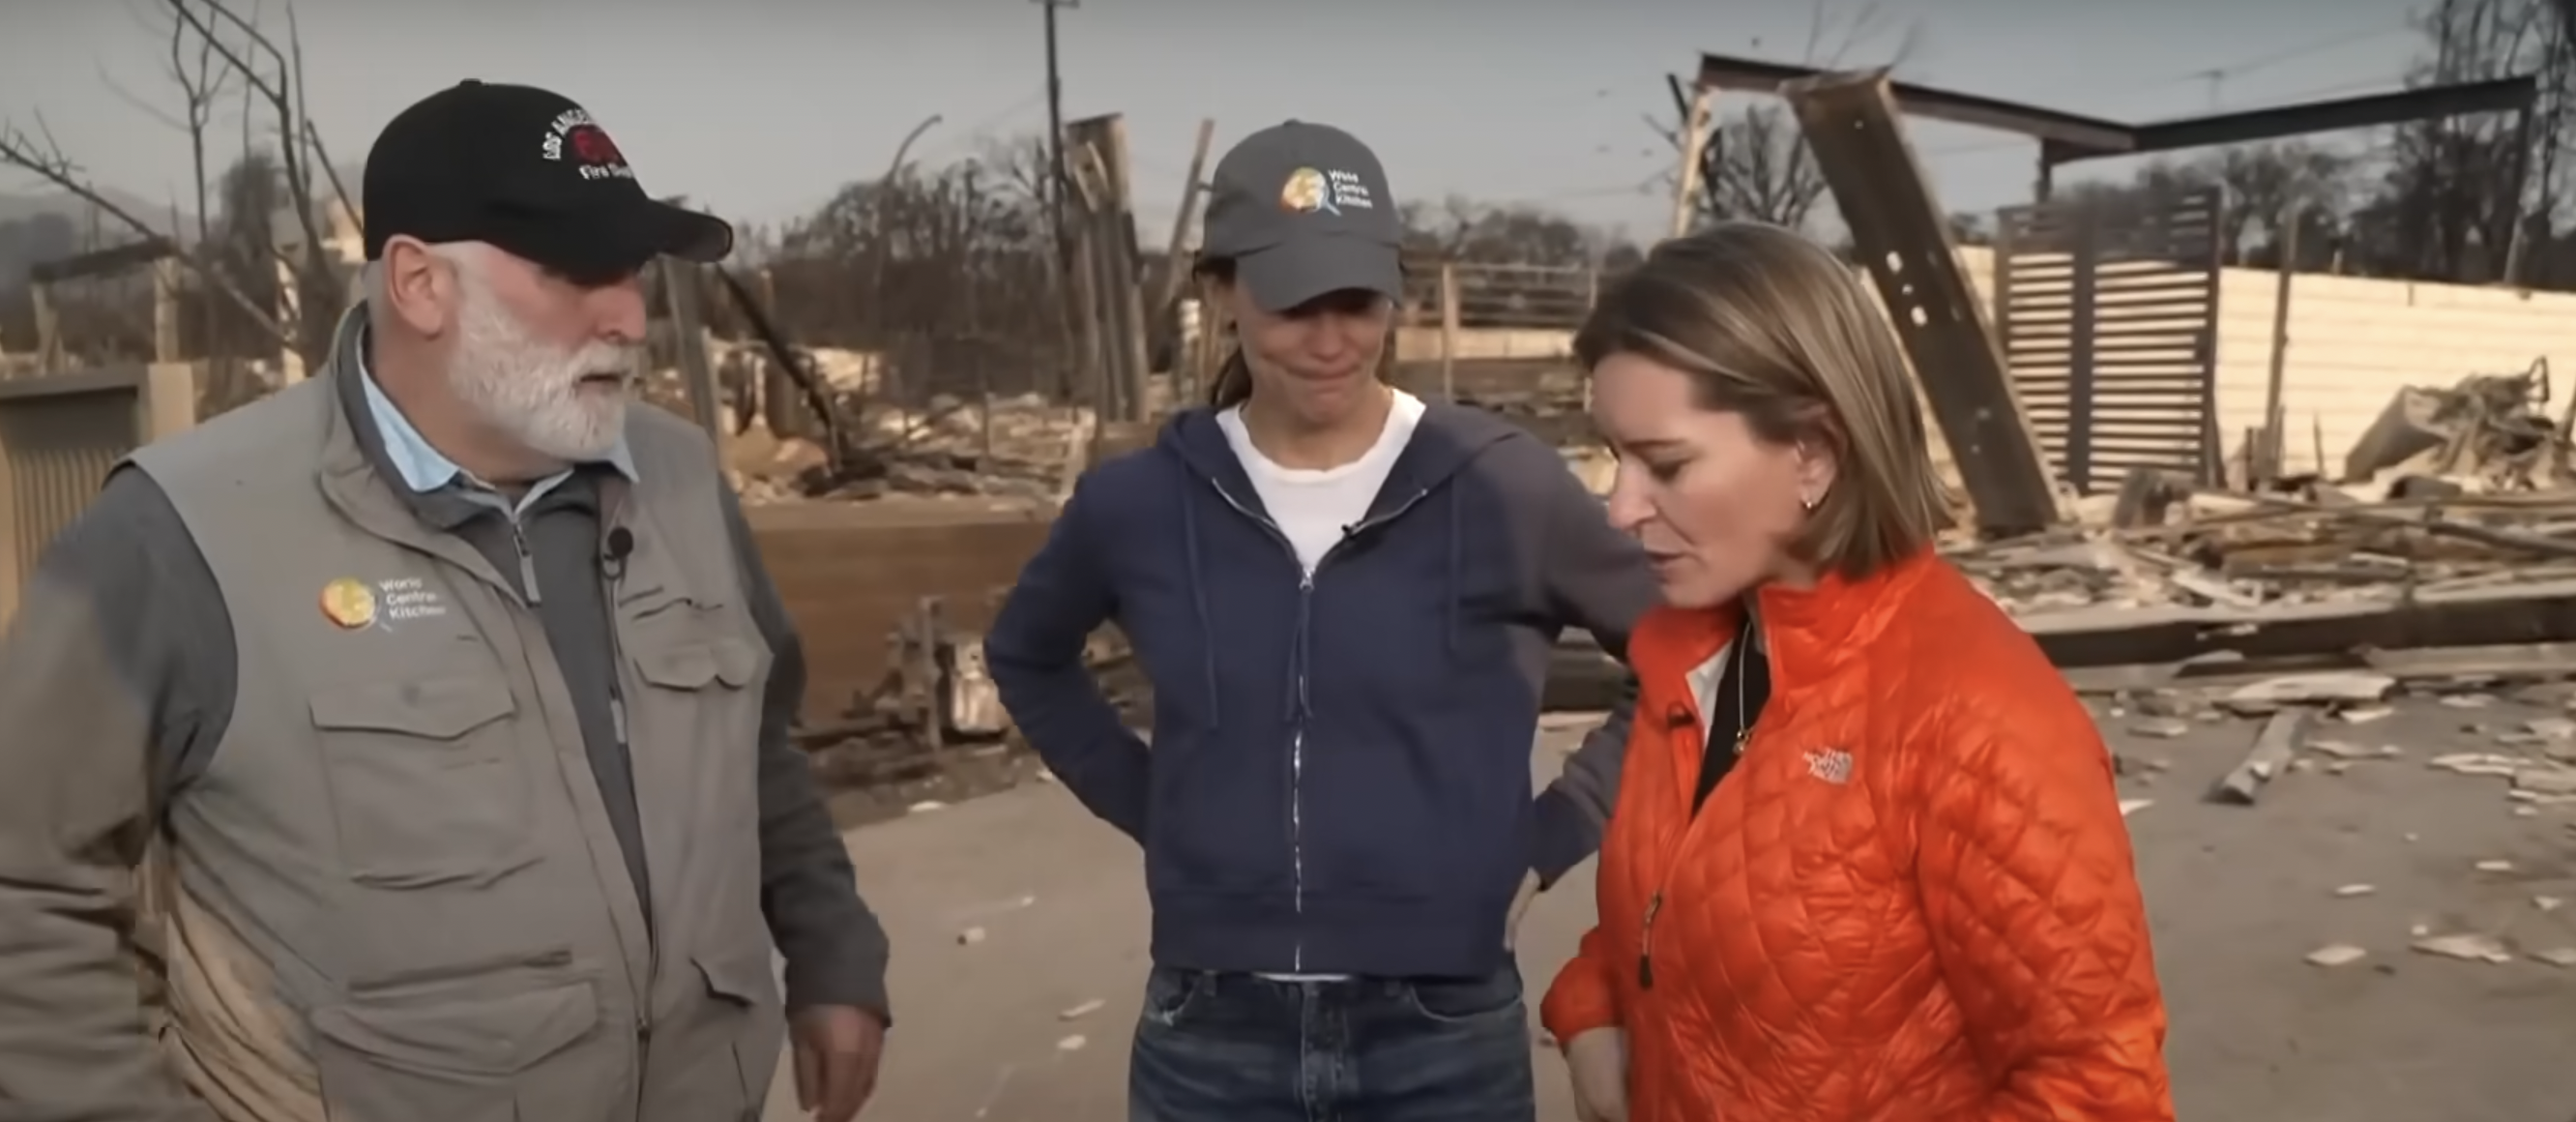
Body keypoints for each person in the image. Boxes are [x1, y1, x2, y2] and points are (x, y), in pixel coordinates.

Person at [0, 81, 890, 1122]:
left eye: (635, 272)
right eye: (576, 271)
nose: (630, 317)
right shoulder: (182, 533)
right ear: (419, 283)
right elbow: (26, 888)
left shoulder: (684, 481)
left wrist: (832, 950)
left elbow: (759, 746)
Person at [984, 120, 1658, 1122]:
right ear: (1219, 296)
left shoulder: (1502, 485)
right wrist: (1159, 804)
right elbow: (1026, 653)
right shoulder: (1137, 503)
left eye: (1357, 300)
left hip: (1445, 1029)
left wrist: (1555, 830)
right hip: (1209, 1034)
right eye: (1295, 303)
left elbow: (1694, 657)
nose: (1332, 337)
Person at [1537, 221, 2174, 1122]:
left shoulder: (1976, 719)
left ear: (1813, 452)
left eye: (1666, 465)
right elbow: (1667, 906)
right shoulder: (1692, 660)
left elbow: (2097, 1091)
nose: (1619, 508)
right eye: (1616, 457)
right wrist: (1594, 1010)